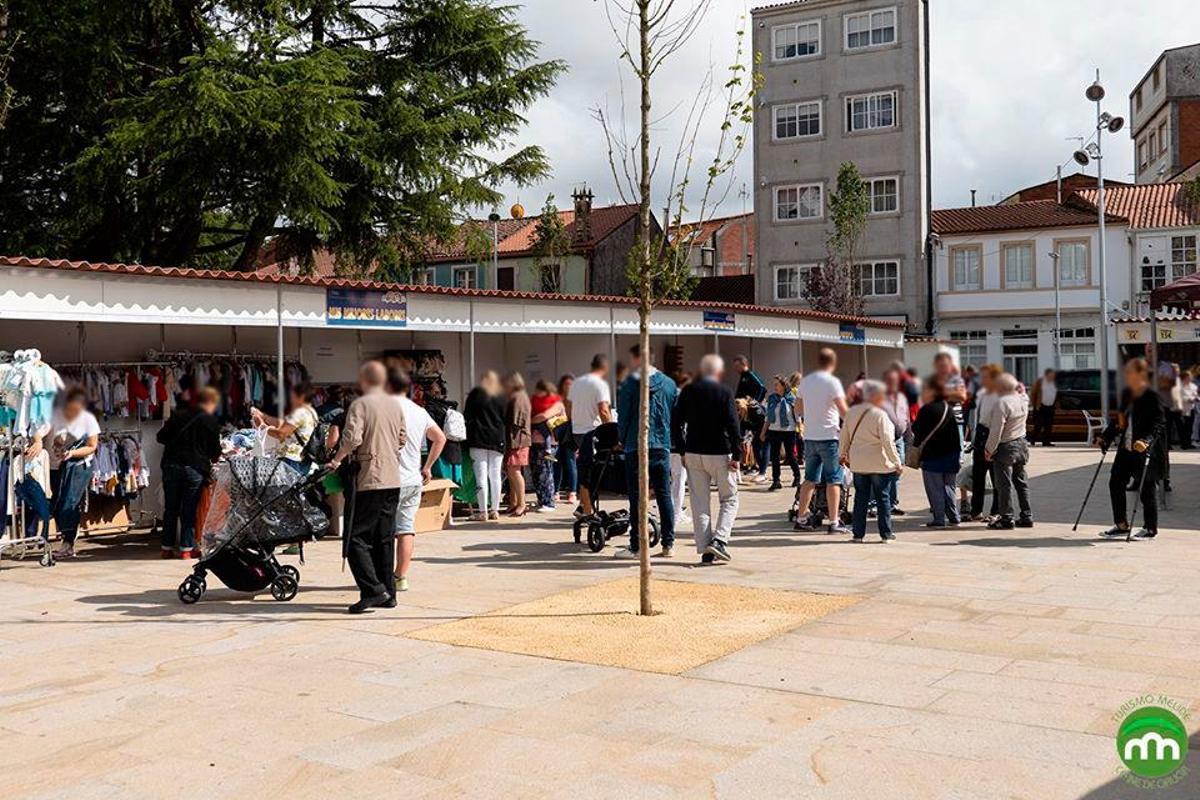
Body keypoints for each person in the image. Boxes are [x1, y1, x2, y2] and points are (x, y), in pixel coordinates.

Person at [330, 361, 407, 614]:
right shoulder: (395, 405)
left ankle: (372, 590)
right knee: (384, 538)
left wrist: (337, 459)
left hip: (370, 478)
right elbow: (402, 438)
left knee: (356, 538)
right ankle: (388, 593)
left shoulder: (360, 405)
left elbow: (353, 438)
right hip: (393, 478)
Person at [673, 354, 741, 564]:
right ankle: (720, 539)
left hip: (693, 451)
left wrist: (682, 449)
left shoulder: (688, 391)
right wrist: (737, 454)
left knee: (699, 502)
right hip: (719, 451)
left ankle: (705, 548)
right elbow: (733, 424)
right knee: (729, 498)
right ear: (719, 372)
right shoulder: (724, 392)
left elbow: (675, 422)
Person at [614, 344, 678, 559]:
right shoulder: (669, 384)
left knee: (636, 497)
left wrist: (621, 439)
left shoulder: (630, 384)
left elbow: (623, 417)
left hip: (635, 445)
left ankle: (637, 545)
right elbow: (674, 414)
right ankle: (668, 544)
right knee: (664, 494)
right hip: (662, 445)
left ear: (635, 359)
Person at [387, 369, 445, 592]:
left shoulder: (385, 410)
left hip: (388, 478)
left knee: (383, 530)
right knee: (405, 529)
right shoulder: (419, 411)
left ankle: (383, 574)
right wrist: (427, 466)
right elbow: (440, 438)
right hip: (413, 478)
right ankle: (400, 576)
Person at [1096, 358, 1165, 541]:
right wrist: (1106, 437)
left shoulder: (1151, 396)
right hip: (1126, 449)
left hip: (1144, 450)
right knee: (1115, 482)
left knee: (1146, 489)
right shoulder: (1127, 394)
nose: (1126, 376)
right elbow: (1119, 420)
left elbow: (1159, 423)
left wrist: (1146, 441)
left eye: (1130, 373)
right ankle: (1121, 525)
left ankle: (1150, 529)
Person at [27, 388, 101, 559]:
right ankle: (66, 539)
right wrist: (37, 441)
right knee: (57, 503)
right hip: (54, 466)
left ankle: (67, 542)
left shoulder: (88, 420)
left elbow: (92, 446)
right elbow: (40, 430)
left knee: (69, 501)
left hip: (77, 465)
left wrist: (71, 453)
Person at [156, 386, 222, 558]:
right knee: (189, 509)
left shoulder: (178, 415)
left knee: (170, 508)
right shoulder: (211, 422)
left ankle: (166, 548)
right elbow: (215, 452)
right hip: (194, 469)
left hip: (171, 466)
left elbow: (160, 437)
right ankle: (186, 549)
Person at [793, 348, 850, 534]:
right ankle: (834, 522)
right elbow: (843, 411)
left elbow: (798, 410)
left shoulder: (805, 382)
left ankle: (801, 517)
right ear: (832, 363)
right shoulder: (833, 383)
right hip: (829, 437)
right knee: (834, 480)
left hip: (810, 437)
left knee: (809, 480)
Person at [840, 380, 902, 543]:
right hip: (879, 463)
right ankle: (886, 534)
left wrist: (842, 454)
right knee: (883, 499)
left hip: (859, 462)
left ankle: (858, 534)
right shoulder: (880, 415)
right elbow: (888, 440)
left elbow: (844, 436)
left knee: (860, 498)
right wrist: (896, 461)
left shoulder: (851, 413)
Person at [912, 374, 963, 529]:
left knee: (935, 489)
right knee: (950, 486)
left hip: (932, 456)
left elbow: (916, 430)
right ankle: (954, 516)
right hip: (951, 454)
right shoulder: (949, 408)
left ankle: (939, 518)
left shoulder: (926, 409)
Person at [983, 373, 1033, 530]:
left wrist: (989, 449)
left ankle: (1007, 518)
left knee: (1004, 484)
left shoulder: (1002, 403)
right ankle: (1026, 515)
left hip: (1006, 446)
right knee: (1021, 481)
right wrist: (1022, 390)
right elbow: (1025, 394)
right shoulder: (1022, 399)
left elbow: (997, 430)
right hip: (1022, 444)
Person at [567, 354, 613, 516]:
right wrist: (611, 430)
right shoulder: (600, 385)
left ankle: (583, 505)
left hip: (578, 430)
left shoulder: (577, 383)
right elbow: (604, 410)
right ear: (605, 367)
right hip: (593, 431)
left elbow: (568, 406)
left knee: (585, 467)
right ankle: (587, 508)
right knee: (591, 472)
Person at [463, 371, 506, 521]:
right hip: (498, 439)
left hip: (478, 438)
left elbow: (466, 415)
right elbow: (507, 417)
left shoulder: (475, 394)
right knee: (495, 475)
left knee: (480, 476)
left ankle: (483, 512)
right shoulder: (502, 396)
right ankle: (495, 509)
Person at [252, 381, 319, 474]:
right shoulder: (311, 412)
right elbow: (285, 424)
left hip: (290, 459)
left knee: (284, 488)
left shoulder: (299, 413)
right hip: (302, 458)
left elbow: (280, 434)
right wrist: (264, 416)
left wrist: (261, 425)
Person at [968, 364, 1002, 522]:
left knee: (996, 478)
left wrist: (992, 445)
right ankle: (976, 510)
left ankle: (996, 511)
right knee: (978, 476)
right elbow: (976, 416)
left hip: (993, 434)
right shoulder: (981, 393)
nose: (982, 379)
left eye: (986, 376)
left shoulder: (1001, 395)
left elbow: (999, 422)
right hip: (980, 435)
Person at [530, 380, 566, 513]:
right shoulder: (536, 401)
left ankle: (549, 502)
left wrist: (530, 420)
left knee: (546, 471)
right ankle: (541, 500)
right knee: (537, 472)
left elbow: (544, 416)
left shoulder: (557, 403)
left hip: (550, 444)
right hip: (535, 442)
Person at [761, 375, 800, 491]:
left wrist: (800, 430)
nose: (775, 387)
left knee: (790, 455)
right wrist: (763, 432)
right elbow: (767, 417)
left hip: (789, 430)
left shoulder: (791, 398)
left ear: (784, 385)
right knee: (774, 456)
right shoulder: (772, 398)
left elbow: (797, 416)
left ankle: (797, 477)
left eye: (777, 384)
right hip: (774, 430)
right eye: (774, 385)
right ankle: (776, 480)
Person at [881, 368, 911, 516]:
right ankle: (876, 504)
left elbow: (906, 416)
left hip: (899, 439)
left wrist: (909, 435)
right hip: (884, 440)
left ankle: (892, 503)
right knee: (881, 472)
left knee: (897, 472)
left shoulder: (902, 397)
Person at [732, 355, 768, 477]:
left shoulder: (750, 375)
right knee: (749, 442)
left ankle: (762, 470)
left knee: (759, 443)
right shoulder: (742, 377)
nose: (735, 369)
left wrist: (755, 401)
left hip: (752, 410)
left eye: (737, 366)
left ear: (743, 364)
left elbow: (762, 387)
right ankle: (755, 466)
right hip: (744, 412)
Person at [503, 372, 532, 516]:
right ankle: (514, 502)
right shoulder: (519, 396)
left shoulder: (518, 397)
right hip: (517, 440)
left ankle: (521, 503)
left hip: (518, 440)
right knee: (511, 471)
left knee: (514, 471)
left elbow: (516, 421)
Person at [669, 371, 691, 521]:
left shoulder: (666, 395)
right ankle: (676, 512)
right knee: (679, 479)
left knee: (670, 479)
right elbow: (682, 424)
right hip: (678, 444)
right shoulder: (681, 397)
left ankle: (672, 510)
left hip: (664, 442)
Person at [554, 374, 578, 504]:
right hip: (558, 432)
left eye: (570, 384)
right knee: (556, 462)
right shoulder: (557, 399)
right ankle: (555, 491)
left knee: (570, 462)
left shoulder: (576, 399)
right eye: (566, 384)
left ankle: (572, 492)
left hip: (571, 433)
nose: (568, 386)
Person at [933, 352, 968, 434]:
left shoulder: (957, 380)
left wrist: (943, 394)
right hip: (938, 422)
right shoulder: (934, 381)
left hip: (955, 421)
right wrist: (953, 393)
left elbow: (962, 397)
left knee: (957, 446)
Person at [1028, 369, 1058, 447]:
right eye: (1050, 375)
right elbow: (1033, 393)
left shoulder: (1055, 383)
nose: (1052, 377)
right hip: (1040, 407)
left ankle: (1046, 442)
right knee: (1038, 425)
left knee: (1048, 426)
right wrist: (1034, 405)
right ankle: (1032, 439)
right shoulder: (1040, 382)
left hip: (1051, 407)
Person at [1182, 369, 1198, 450]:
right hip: (1183, 410)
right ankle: (1184, 444)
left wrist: (1197, 398)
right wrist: (1188, 399)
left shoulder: (1193, 386)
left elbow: (1196, 395)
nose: (1190, 378)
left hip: (1191, 408)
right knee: (1184, 428)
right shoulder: (1180, 386)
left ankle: (1188, 443)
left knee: (1190, 427)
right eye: (1188, 377)